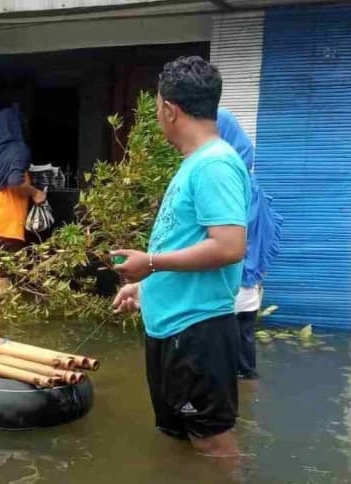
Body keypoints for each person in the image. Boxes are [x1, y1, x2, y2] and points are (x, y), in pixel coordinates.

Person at [111, 56, 251, 458]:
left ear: (170, 110)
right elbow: (188, 241)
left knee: (211, 441)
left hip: (197, 330)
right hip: (173, 327)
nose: (158, 114)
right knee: (181, 439)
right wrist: (145, 286)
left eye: (157, 107)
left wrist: (150, 263)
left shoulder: (215, 165)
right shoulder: (195, 164)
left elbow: (228, 246)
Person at [216, 108, 283, 381]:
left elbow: (224, 241)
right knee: (245, 351)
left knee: (222, 358)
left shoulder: (228, 189)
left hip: (228, 287)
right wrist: (258, 275)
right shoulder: (255, 188)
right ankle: (246, 397)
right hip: (250, 288)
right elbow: (268, 235)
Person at [0, 106, 46, 251]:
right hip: (6, 226)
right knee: (9, 272)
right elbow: (15, 183)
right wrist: (35, 193)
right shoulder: (20, 149)